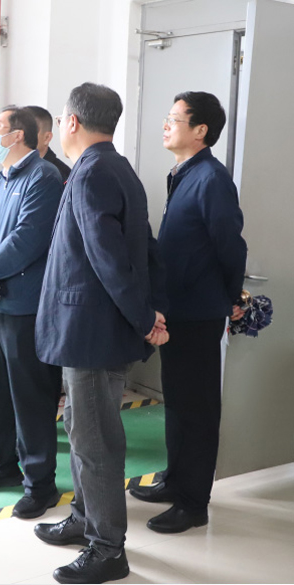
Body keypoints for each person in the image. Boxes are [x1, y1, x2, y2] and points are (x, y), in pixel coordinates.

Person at [33, 83, 169, 584]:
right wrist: (149, 311)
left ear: (71, 121)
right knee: (81, 430)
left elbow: (109, 260)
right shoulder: (116, 167)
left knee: (96, 443)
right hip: (95, 329)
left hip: (92, 332)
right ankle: (84, 518)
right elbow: (143, 248)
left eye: (61, 119)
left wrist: (144, 318)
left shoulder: (92, 173)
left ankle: (108, 548)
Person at [129, 92, 247, 534]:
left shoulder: (211, 178)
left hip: (199, 312)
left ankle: (194, 502)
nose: (166, 125)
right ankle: (175, 480)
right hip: (179, 309)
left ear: (201, 130)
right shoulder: (183, 173)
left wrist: (231, 298)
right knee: (177, 403)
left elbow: (231, 246)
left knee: (196, 409)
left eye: (174, 119)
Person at [0, 107, 64, 520]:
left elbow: (27, 239)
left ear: (18, 134)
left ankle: (40, 484)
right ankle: (2, 464)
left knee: (30, 397)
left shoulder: (44, 177)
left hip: (24, 306)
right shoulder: (4, 177)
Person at [27, 105, 72, 181]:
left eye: (28, 131)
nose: (20, 137)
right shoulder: (15, 167)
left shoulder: (57, 174)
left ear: (47, 138)